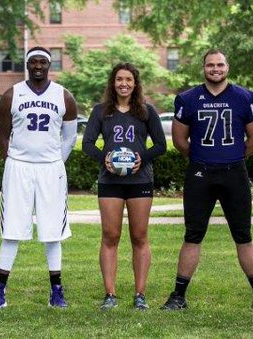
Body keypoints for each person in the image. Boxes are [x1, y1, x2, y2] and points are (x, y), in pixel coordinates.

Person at [160, 49, 253, 311]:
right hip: (201, 173)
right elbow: (179, 140)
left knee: (243, 235)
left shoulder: (244, 97)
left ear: (227, 67)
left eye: (220, 64)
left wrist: (230, 157)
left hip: (234, 172)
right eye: (210, 65)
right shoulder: (188, 98)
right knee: (193, 234)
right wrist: (203, 158)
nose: (215, 69)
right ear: (204, 68)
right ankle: (178, 295)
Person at [0, 47, 79, 309]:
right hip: (20, 167)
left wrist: (55, 162)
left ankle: (57, 291)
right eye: (33, 62)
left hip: (50, 169)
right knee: (12, 229)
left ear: (50, 65)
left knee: (52, 231)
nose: (38, 65)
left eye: (43, 62)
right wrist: (11, 160)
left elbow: (70, 137)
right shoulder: (11, 94)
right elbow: (3, 135)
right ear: (27, 65)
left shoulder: (64, 96)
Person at [81, 63, 166, 311]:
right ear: (113, 83)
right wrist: (104, 159)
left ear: (135, 83)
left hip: (140, 180)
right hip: (110, 181)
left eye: (128, 79)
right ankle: (110, 294)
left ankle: (140, 293)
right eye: (119, 79)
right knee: (110, 236)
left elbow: (160, 145)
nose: (124, 84)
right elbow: (87, 144)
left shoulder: (147, 111)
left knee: (139, 236)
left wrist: (143, 158)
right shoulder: (100, 111)